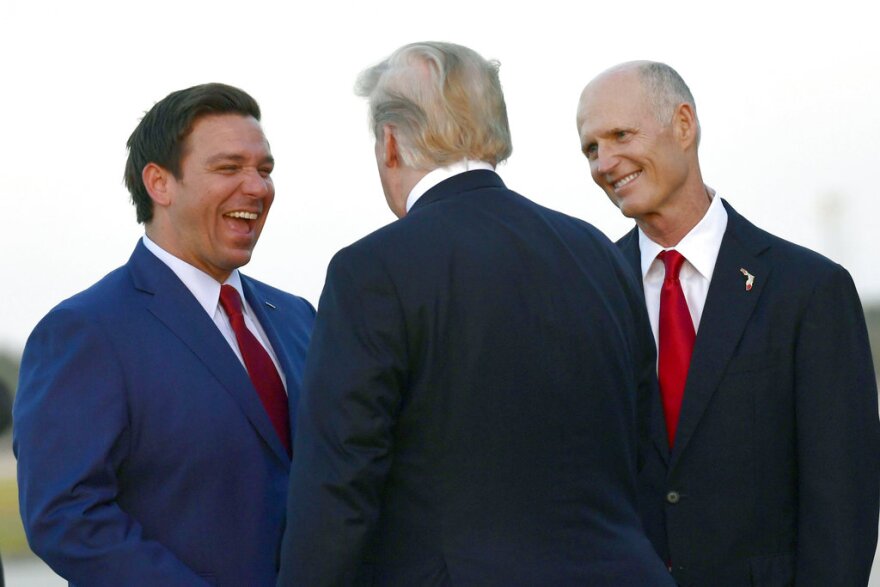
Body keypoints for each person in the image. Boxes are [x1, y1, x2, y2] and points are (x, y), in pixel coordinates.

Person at [277, 42, 675, 587]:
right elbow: (643, 451)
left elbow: (339, 486)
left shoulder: (371, 272)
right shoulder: (600, 256)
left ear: (389, 143)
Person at [576, 61, 880, 586]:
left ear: (685, 125)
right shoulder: (585, 295)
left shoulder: (807, 291)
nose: (606, 162)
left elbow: (843, 502)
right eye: (591, 148)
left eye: (621, 135)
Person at [14, 83, 315, 586]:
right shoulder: (86, 330)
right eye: (229, 168)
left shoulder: (298, 316)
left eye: (264, 170)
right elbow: (65, 517)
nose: (258, 187)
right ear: (159, 183)